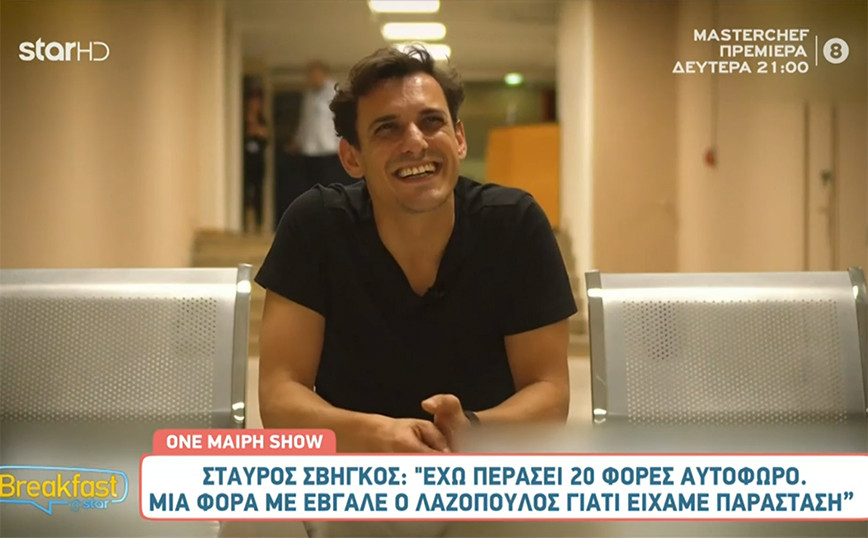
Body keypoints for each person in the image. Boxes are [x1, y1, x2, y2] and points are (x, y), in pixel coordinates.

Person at [256, 44, 576, 538]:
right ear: (352, 157)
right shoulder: (315, 226)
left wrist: (471, 430)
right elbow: (279, 394)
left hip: (490, 481)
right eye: (387, 129)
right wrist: (379, 435)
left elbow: (550, 392)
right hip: (354, 480)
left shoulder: (514, 225)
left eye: (431, 122)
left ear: (459, 138)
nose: (415, 143)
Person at [291, 60, 357, 188]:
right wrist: (298, 140)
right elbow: (305, 121)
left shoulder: (335, 93)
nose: (312, 79)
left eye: (315, 74)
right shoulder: (308, 95)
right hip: (310, 150)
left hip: (330, 149)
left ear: (323, 74)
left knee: (330, 185)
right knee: (312, 186)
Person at [243, 89, 269, 233]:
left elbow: (266, 137)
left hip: (258, 161)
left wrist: (258, 130)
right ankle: (245, 222)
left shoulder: (262, 120)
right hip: (245, 162)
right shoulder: (241, 119)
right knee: (246, 191)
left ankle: (259, 224)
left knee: (258, 192)